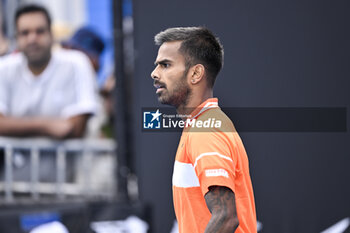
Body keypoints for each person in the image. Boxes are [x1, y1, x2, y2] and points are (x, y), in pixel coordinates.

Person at [151, 27, 257, 233]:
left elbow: (226, 217)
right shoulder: (201, 125)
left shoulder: (205, 130)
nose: (154, 73)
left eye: (165, 65)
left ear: (196, 73)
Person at [0, 4, 98, 139]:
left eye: (39, 31)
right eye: (25, 33)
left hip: (68, 161)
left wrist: (13, 125)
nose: (32, 39)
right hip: (13, 161)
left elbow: (75, 128)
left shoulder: (76, 63)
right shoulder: (4, 68)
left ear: (51, 34)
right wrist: (48, 126)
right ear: (16, 38)